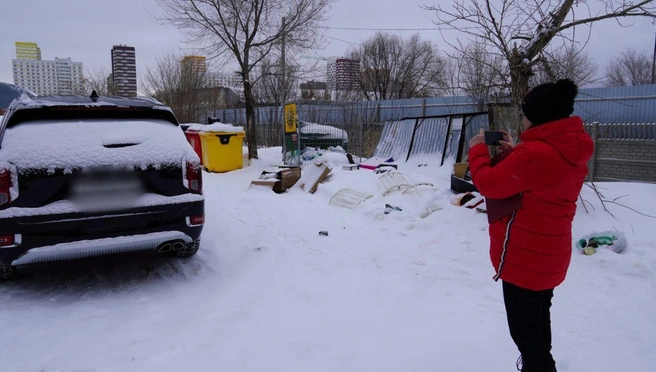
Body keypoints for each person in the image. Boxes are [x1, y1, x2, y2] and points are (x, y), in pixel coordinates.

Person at [467, 79, 594, 372]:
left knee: (526, 335)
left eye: (525, 113)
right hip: (550, 256)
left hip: (524, 260)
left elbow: (489, 184)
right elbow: (540, 179)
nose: (523, 119)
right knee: (538, 325)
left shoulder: (534, 154)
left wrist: (476, 151)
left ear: (539, 114)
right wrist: (515, 153)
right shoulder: (570, 150)